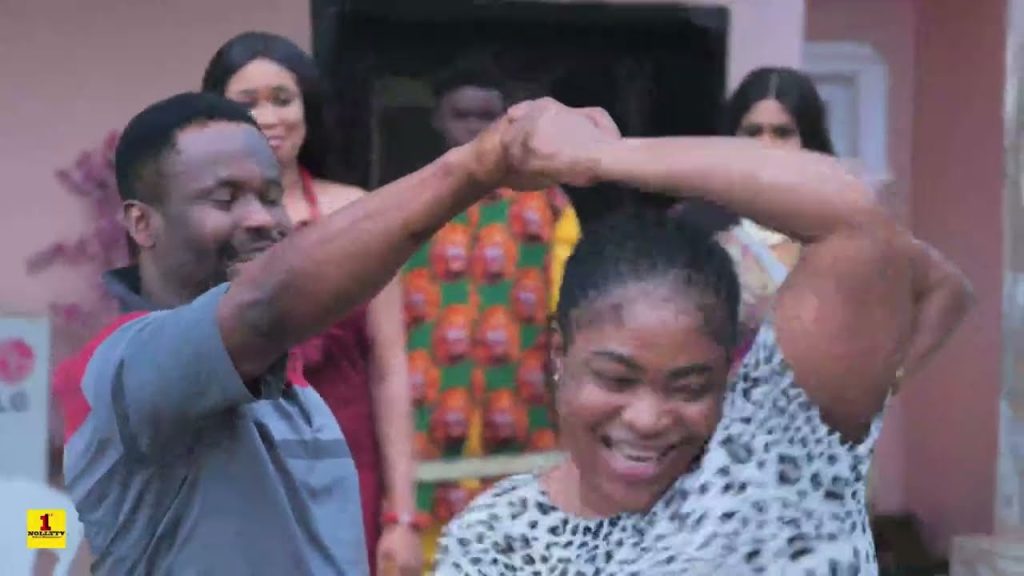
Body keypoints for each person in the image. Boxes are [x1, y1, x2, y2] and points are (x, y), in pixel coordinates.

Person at [56, 92, 591, 574]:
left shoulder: (292, 389)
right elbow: (263, 307)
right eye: (224, 199)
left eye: (271, 196)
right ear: (142, 224)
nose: (262, 219)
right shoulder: (127, 363)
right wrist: (480, 164)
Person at [433, 99, 974, 574]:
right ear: (559, 353)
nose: (647, 419)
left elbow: (857, 211)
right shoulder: (499, 538)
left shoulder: (773, 459)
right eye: (616, 379)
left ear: (729, 373)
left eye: (690, 387)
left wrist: (600, 157)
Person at [200, 31, 417, 576]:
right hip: (234, 473)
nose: (268, 117)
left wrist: (403, 517)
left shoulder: (359, 213)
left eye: (283, 99)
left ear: (307, 110)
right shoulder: (196, 226)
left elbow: (390, 368)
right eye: (247, 103)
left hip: (347, 466)